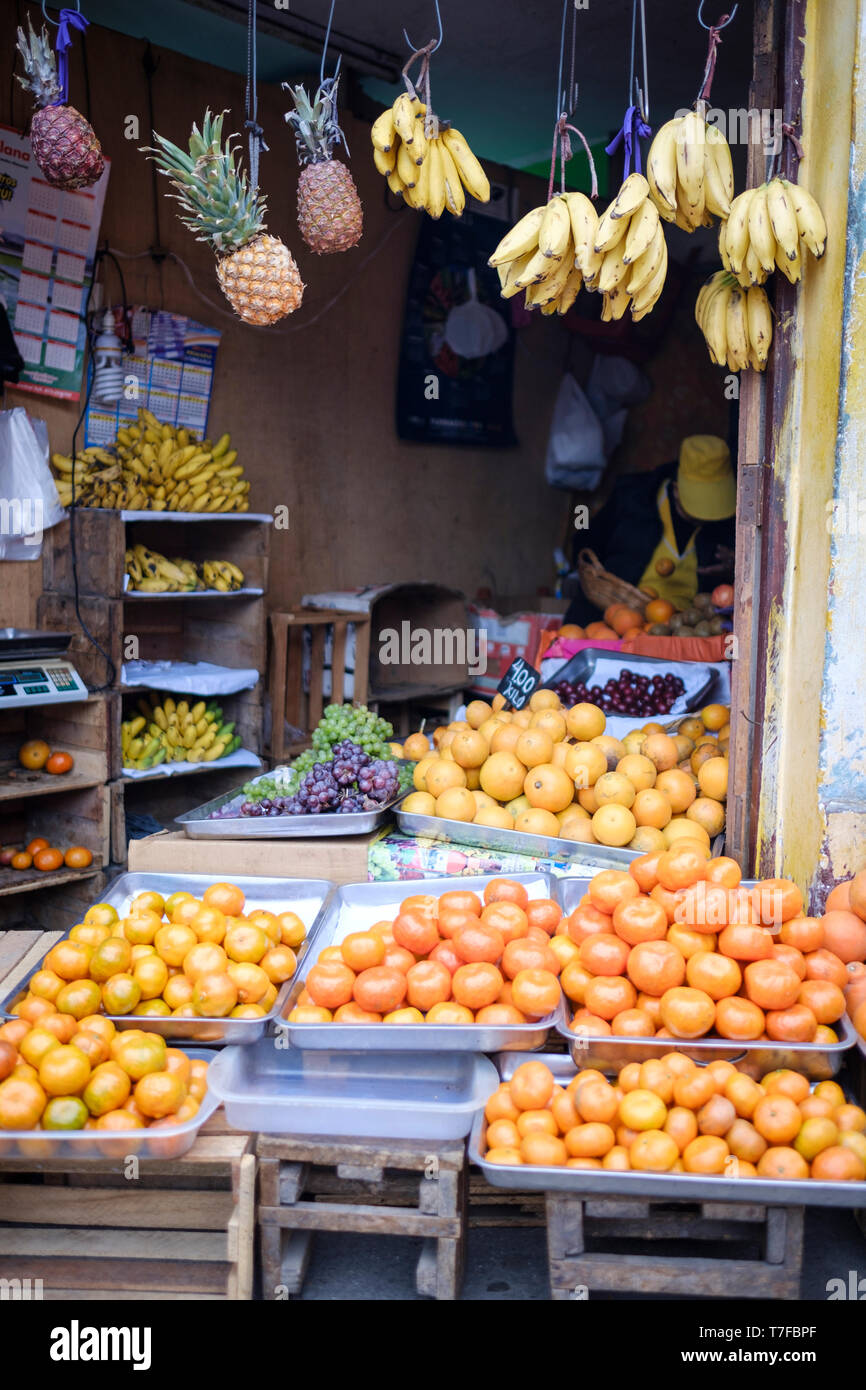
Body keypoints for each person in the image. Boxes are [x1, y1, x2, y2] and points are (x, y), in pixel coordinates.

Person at [565, 434, 736, 624]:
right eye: (699, 504)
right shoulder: (632, 498)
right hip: (616, 619)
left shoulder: (728, 525)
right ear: (676, 489)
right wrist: (594, 579)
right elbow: (586, 540)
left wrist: (733, 569)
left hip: (682, 630)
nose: (706, 515)